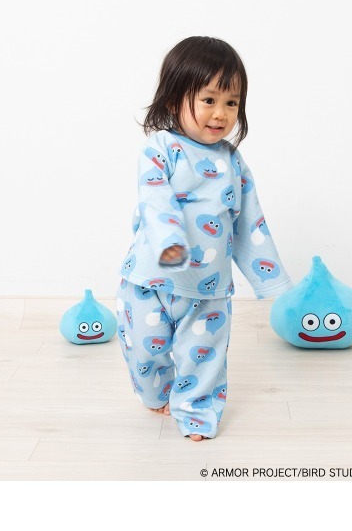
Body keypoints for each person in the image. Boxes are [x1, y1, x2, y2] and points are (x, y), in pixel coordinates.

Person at [115, 36, 293, 441]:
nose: (221, 113)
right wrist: (170, 242)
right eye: (209, 100)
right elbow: (155, 199)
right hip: (149, 280)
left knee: (205, 357)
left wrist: (272, 282)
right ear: (173, 98)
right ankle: (156, 391)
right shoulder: (160, 149)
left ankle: (196, 411)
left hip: (208, 288)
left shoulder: (232, 162)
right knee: (144, 347)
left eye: (232, 103)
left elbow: (250, 222)